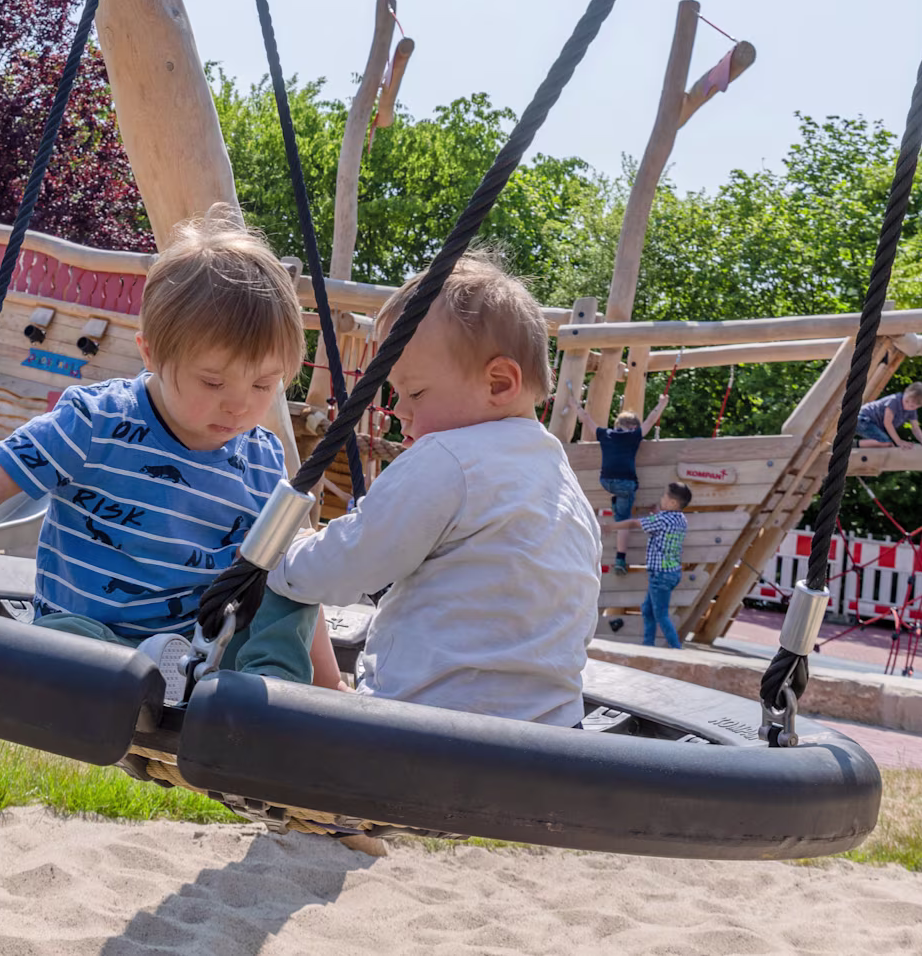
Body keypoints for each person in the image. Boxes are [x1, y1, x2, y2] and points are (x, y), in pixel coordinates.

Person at [0, 205, 332, 695]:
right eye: (212, 381)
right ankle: (134, 677)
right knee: (65, 642)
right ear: (151, 353)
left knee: (294, 556)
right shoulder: (97, 421)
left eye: (264, 384)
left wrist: (331, 686)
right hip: (89, 634)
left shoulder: (262, 460)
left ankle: (276, 687)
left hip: (197, 648)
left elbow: (294, 579)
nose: (239, 406)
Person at [264, 251, 602, 730]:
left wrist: (280, 558)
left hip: (431, 725)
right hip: (550, 732)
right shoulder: (565, 487)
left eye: (416, 393)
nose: (400, 411)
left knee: (280, 599)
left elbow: (349, 560)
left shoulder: (448, 457)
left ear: (499, 383)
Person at [576, 391, 670, 576]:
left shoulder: (605, 433)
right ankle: (620, 559)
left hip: (605, 481)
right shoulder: (633, 436)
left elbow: (586, 418)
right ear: (633, 427)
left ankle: (616, 502)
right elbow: (651, 420)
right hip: (625, 483)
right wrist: (662, 404)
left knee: (619, 497)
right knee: (623, 521)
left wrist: (574, 404)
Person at [607, 482, 693, 649]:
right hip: (672, 573)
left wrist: (610, 527)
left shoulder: (661, 519)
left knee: (661, 614)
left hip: (660, 574)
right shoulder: (681, 519)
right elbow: (664, 524)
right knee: (647, 610)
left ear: (672, 503)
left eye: (664, 496)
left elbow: (634, 523)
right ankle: (648, 645)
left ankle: (676, 648)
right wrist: (657, 513)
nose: (661, 498)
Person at [856, 382, 922, 449]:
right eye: (906, 401)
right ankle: (853, 444)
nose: (908, 406)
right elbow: (888, 423)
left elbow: (915, 427)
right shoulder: (894, 401)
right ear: (905, 392)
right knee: (886, 443)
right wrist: (899, 441)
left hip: (872, 423)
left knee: (888, 445)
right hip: (862, 418)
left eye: (912, 406)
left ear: (919, 406)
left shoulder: (912, 411)